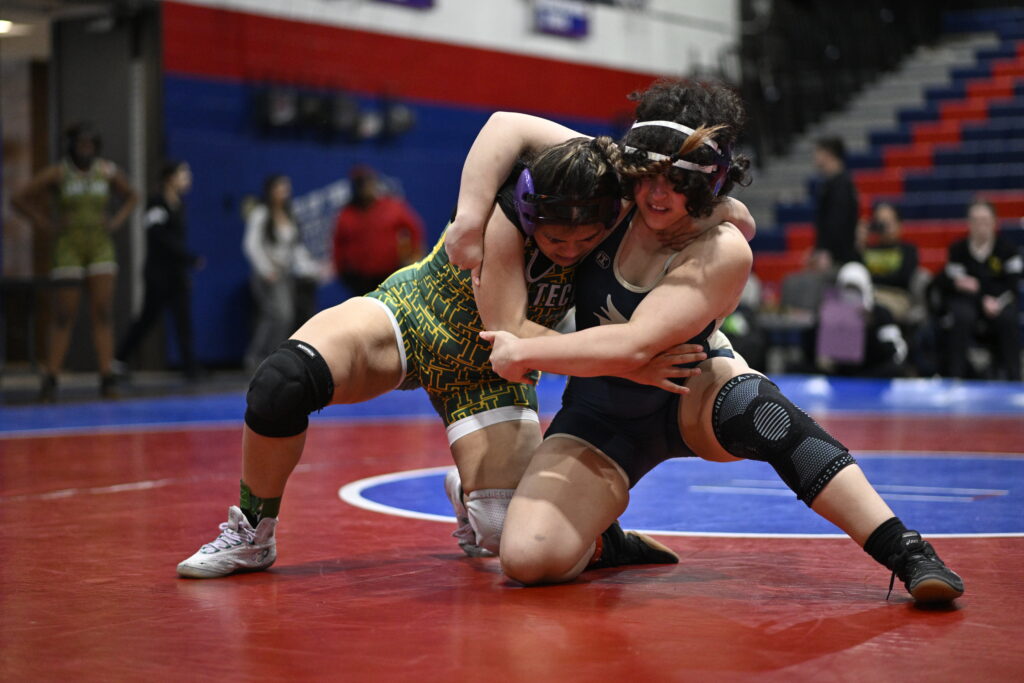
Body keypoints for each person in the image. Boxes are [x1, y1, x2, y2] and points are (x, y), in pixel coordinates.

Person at [458, 79, 962, 604]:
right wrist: (470, 219)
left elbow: (636, 344)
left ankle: (906, 549)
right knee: (527, 559)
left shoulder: (722, 248)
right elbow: (508, 126)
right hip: (602, 411)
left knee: (765, 414)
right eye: (648, 175)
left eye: (678, 182)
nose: (657, 195)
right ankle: (604, 543)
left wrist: (523, 350)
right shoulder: (608, 189)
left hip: (692, 390)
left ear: (708, 182)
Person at [176, 133, 735, 578]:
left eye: (582, 241)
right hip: (414, 316)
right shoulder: (508, 214)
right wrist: (470, 213)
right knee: (282, 383)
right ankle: (253, 532)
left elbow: (737, 219)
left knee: (507, 537)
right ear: (529, 212)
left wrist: (715, 212)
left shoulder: (618, 210)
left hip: (487, 377)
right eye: (554, 239)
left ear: (609, 217)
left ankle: (474, 493)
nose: (569, 251)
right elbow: (506, 330)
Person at [11, 122, 139, 401]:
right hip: (68, 245)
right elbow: (18, 198)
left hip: (100, 246)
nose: (86, 149)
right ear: (71, 146)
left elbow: (132, 196)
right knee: (64, 314)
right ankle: (51, 378)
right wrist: (45, 224)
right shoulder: (59, 172)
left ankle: (106, 377)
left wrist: (115, 221)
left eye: (91, 144)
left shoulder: (106, 170)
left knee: (103, 312)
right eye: (81, 144)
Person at [114, 160, 203, 379]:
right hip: (158, 273)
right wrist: (187, 257)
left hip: (176, 273)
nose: (188, 178)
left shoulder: (179, 205)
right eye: (183, 174)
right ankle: (119, 359)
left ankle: (190, 367)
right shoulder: (156, 203)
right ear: (170, 178)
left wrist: (183, 264)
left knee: (183, 319)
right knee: (147, 318)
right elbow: (159, 236)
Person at [938, 198, 1022, 381]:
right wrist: (979, 297)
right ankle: (956, 376)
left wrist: (993, 299)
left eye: (985, 220)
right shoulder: (958, 250)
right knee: (961, 315)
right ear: (968, 223)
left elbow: (1012, 284)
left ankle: (1013, 377)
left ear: (994, 222)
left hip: (999, 301)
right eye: (975, 220)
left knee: (1008, 318)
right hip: (968, 302)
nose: (980, 225)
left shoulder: (1008, 250)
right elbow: (951, 281)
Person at [242, 174, 318, 371]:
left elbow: (295, 248)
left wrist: (311, 267)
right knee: (278, 315)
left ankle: (271, 357)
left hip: (284, 275)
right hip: (267, 275)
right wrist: (265, 269)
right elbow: (251, 245)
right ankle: (258, 357)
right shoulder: (261, 214)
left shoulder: (289, 213)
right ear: (270, 191)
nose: (284, 192)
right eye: (279, 188)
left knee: (282, 316)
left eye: (286, 188)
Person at [332, 165, 426, 296]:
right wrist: (341, 270)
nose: (368, 188)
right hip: (360, 280)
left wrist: (414, 253)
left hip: (390, 274)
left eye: (370, 182)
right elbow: (338, 245)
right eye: (363, 184)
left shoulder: (391, 206)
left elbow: (414, 228)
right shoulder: (346, 214)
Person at [815, 261, 908, 377]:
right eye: (847, 289)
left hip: (874, 372)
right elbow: (821, 357)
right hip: (842, 373)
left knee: (896, 370)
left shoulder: (880, 313)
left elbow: (895, 352)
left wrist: (871, 327)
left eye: (856, 289)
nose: (851, 295)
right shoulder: (833, 313)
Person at [857, 201, 921, 322]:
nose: (885, 226)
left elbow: (903, 278)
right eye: (880, 222)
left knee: (879, 310)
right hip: (868, 295)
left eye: (889, 221)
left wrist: (873, 278)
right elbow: (855, 275)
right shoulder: (867, 250)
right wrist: (859, 244)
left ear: (899, 224)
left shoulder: (907, 250)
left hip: (896, 296)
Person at [812, 136, 859, 268]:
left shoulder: (842, 185)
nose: (815, 156)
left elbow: (838, 223)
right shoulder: (828, 184)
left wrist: (826, 251)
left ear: (829, 154)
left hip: (839, 258)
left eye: (818, 152)